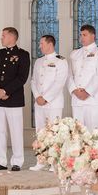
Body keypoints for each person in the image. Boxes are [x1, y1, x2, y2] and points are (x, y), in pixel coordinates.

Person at [0, 27, 30, 172]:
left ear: (12, 37)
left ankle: (17, 161)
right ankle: (0, 161)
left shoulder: (23, 55)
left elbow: (22, 77)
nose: (1, 38)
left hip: (14, 99)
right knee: (0, 131)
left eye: (3, 36)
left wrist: (6, 91)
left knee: (16, 131)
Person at [30, 35, 68, 171]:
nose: (39, 46)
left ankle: (54, 163)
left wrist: (45, 98)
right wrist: (37, 96)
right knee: (40, 132)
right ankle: (40, 161)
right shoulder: (38, 61)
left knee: (53, 132)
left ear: (50, 44)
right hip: (39, 102)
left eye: (41, 43)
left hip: (53, 103)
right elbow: (33, 81)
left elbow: (59, 82)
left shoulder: (61, 61)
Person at [68, 25, 98, 131]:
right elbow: (69, 74)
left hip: (94, 100)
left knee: (95, 135)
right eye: (81, 35)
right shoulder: (74, 54)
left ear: (93, 36)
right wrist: (74, 90)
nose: (82, 38)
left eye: (85, 35)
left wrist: (87, 92)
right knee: (78, 135)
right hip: (77, 99)